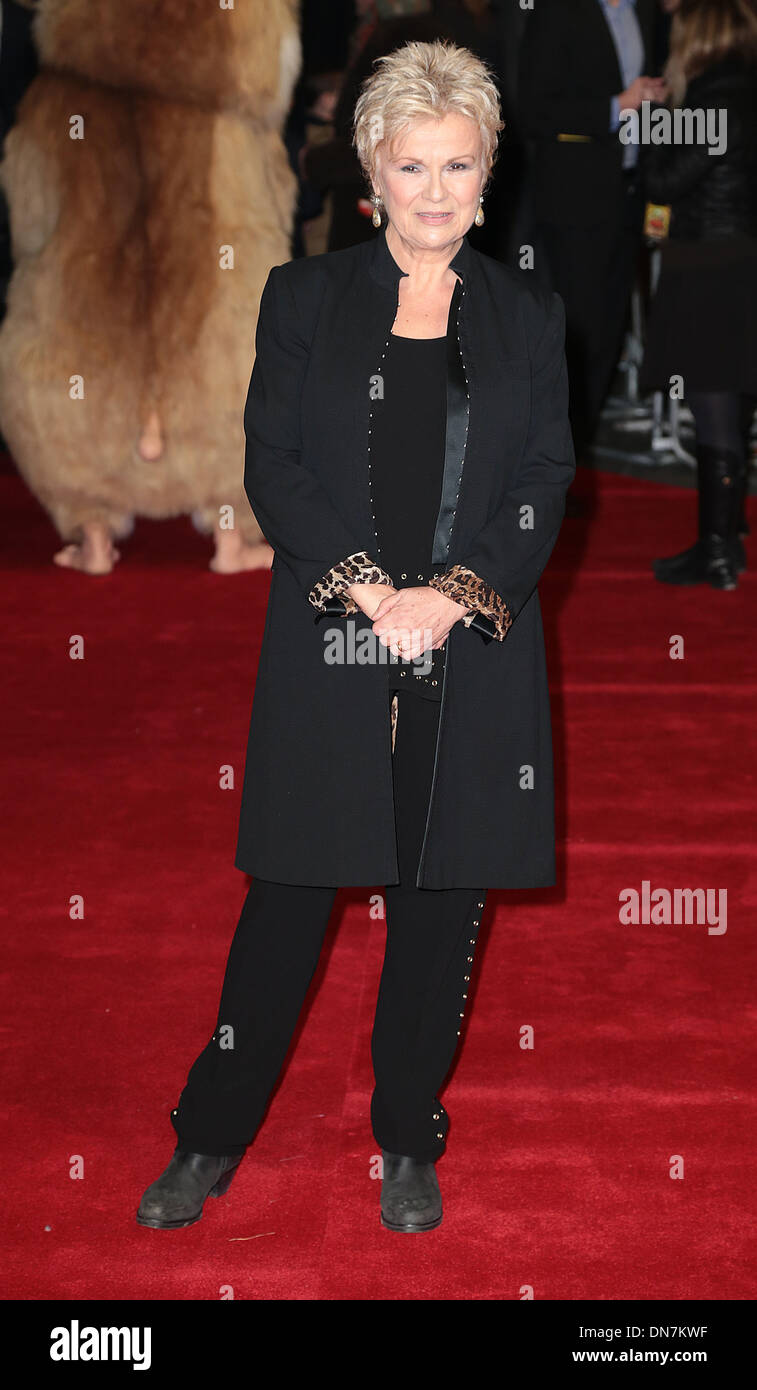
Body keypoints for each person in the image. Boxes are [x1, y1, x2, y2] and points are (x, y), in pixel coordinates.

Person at [137, 37, 575, 1235]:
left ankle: (406, 1140)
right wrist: (371, 592)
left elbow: (545, 473)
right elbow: (272, 463)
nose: (436, 191)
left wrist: (457, 590)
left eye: (459, 166)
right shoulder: (304, 298)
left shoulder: (529, 314)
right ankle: (210, 1135)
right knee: (285, 898)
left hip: (471, 649)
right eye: (411, 165)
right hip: (335, 639)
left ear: (489, 178)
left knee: (441, 907)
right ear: (371, 174)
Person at [639, 0, 757, 589]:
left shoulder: (712, 102)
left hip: (708, 268)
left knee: (713, 409)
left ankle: (716, 552)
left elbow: (662, 182)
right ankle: (728, 534)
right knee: (735, 402)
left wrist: (657, 122)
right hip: (742, 262)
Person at [517, 0, 664, 454]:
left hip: (631, 189)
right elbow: (533, 110)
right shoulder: (558, 11)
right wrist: (617, 105)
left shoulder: (647, 14)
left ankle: (579, 448)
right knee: (578, 327)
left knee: (609, 326)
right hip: (575, 194)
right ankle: (557, 456)